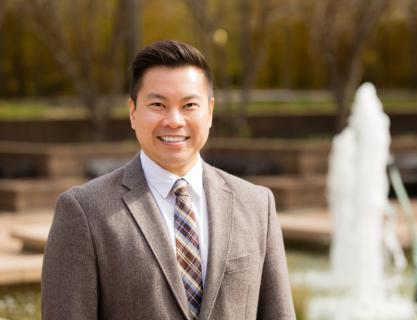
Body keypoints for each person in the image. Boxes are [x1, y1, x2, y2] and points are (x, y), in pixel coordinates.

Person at [41, 40, 295, 320]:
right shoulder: (84, 211)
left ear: (209, 111)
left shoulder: (257, 205)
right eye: (158, 104)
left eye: (189, 105)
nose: (174, 120)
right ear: (132, 112)